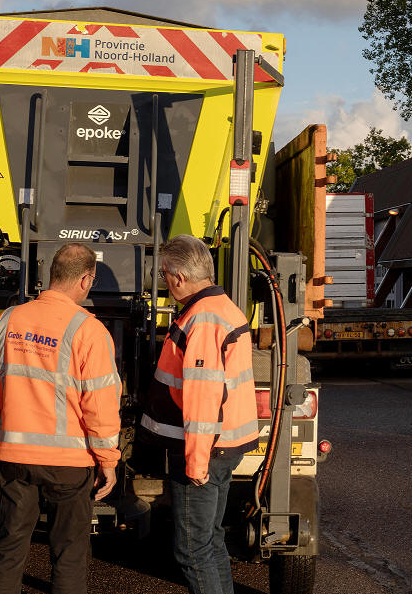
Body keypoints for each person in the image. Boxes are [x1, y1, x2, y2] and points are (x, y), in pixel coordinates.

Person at [0, 243, 122, 594]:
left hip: (14, 457)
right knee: (69, 556)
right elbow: (100, 407)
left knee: (9, 551)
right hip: (69, 465)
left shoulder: (7, 320)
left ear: (52, 274)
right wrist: (108, 461)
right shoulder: (90, 331)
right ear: (87, 280)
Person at [141, 234, 259, 594]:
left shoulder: (204, 320)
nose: (164, 281)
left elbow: (203, 396)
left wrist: (195, 462)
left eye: (164, 274)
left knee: (192, 550)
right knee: (210, 540)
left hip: (205, 450)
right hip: (225, 446)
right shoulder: (221, 307)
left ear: (178, 277)